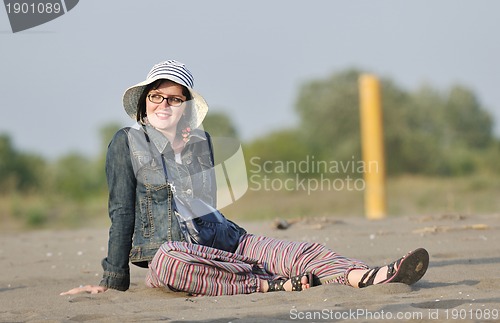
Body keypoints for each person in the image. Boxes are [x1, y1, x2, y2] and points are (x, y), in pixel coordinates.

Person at [61, 60, 429, 296]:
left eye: (175, 99)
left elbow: (206, 208)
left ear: (186, 107)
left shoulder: (200, 142)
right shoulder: (125, 143)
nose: (164, 105)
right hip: (173, 254)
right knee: (171, 261)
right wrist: (112, 282)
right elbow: (122, 212)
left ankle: (368, 276)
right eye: (157, 97)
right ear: (144, 103)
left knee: (300, 250)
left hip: (225, 242)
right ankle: (268, 281)